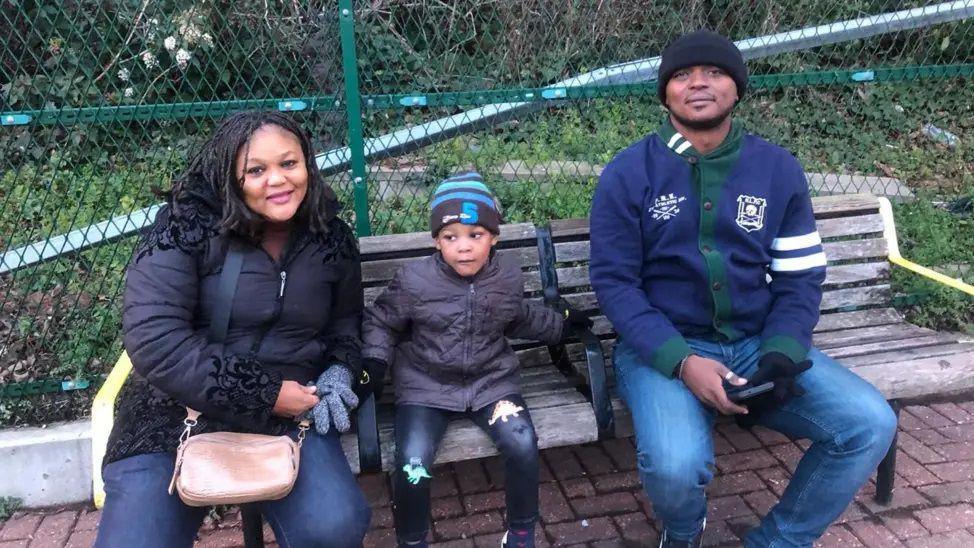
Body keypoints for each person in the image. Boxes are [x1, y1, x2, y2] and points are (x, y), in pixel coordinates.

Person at [589, 30, 897, 548]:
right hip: (661, 349)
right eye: (682, 75)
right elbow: (616, 284)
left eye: (714, 72)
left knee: (868, 423)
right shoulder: (627, 173)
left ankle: (778, 541)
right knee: (675, 465)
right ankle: (684, 532)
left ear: (737, 88)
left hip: (757, 342)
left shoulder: (777, 169)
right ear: (665, 93)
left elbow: (800, 276)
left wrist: (781, 353)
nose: (698, 84)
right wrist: (683, 362)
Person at [95, 111, 371, 548]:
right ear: (230, 176)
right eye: (256, 170)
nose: (278, 180)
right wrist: (267, 394)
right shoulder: (186, 227)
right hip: (175, 407)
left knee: (333, 529)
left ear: (308, 165)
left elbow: (346, 323)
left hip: (291, 412)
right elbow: (156, 340)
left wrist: (339, 370)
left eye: (289, 164)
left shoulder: (329, 236)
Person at [363, 172, 583, 548]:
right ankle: (412, 541)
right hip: (425, 388)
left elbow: (519, 317)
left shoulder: (506, 276)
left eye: (475, 235)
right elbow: (381, 320)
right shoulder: (415, 280)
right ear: (436, 241)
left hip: (490, 383)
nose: (463, 248)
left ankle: (521, 533)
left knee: (522, 442)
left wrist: (561, 325)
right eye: (451, 237)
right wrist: (374, 362)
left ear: (494, 236)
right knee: (413, 462)